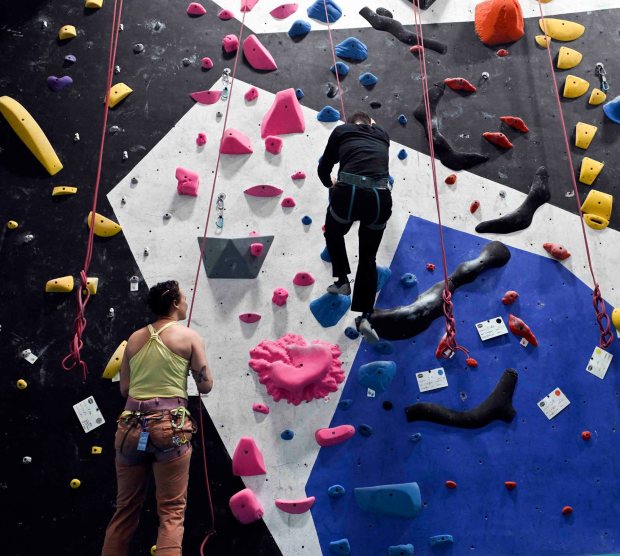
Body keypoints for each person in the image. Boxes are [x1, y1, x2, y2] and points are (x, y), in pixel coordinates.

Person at [102, 280, 213, 556]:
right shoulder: (188, 337)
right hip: (169, 427)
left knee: (125, 509)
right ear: (174, 304)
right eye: (184, 298)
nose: (186, 302)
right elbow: (205, 385)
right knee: (172, 512)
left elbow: (125, 389)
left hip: (130, 429)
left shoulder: (134, 339)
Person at [318, 111, 392, 343]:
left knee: (333, 231)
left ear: (350, 123)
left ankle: (342, 281)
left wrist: (329, 184)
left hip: (348, 193)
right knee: (368, 256)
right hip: (380, 198)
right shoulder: (383, 134)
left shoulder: (341, 131)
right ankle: (366, 316)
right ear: (371, 123)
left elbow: (324, 166)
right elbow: (371, 130)